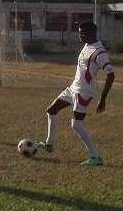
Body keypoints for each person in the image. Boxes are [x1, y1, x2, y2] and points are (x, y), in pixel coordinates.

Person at [36, 20, 115, 166]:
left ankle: (95, 157)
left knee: (76, 125)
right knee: (51, 110)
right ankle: (49, 144)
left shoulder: (99, 52)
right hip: (73, 88)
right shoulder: (87, 45)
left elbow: (111, 75)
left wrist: (103, 99)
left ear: (91, 33)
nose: (80, 37)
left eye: (82, 34)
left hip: (84, 92)